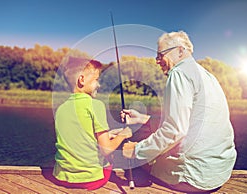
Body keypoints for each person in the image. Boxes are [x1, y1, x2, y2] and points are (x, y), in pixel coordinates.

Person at [121, 31, 237, 193]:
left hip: (196, 178)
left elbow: (175, 131)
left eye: (160, 55)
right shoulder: (207, 75)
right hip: (219, 172)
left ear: (180, 51)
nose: (157, 61)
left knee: (139, 162)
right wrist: (143, 118)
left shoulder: (179, 73)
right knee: (153, 149)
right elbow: (192, 121)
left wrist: (136, 150)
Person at [53, 56, 132, 190]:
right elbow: (106, 150)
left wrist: (109, 134)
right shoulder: (95, 105)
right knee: (111, 156)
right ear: (82, 79)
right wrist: (124, 134)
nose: (99, 84)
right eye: (96, 80)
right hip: (91, 180)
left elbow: (78, 137)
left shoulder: (61, 108)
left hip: (61, 177)